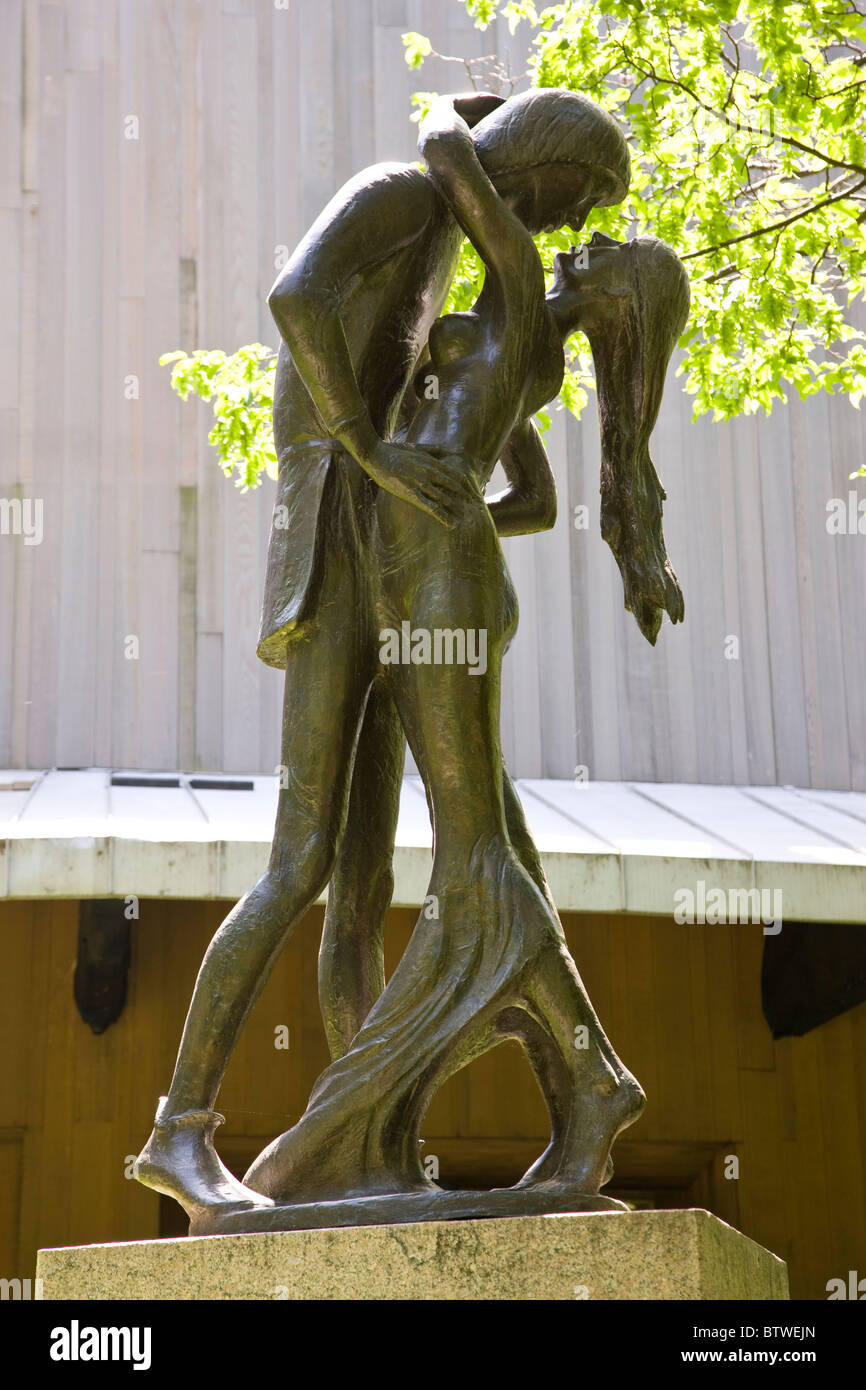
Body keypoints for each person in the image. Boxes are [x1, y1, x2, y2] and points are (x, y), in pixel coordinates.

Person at [135, 89, 632, 1222]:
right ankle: (178, 1129)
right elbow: (293, 294)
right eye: (573, 203)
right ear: (547, 172)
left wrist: (436, 497)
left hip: (379, 549)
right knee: (301, 861)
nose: (558, 232)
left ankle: (368, 1137)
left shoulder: (455, 249)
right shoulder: (403, 193)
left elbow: (511, 481)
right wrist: (364, 448)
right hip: (332, 544)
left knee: (356, 886)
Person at [241, 99, 690, 1209]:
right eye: (581, 203)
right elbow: (529, 499)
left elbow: (448, 150)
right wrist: (447, 492)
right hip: (423, 565)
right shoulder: (508, 327)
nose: (573, 232)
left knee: (473, 853)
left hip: (436, 577)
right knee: (461, 850)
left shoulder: (515, 293)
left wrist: (405, 480)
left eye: (595, 236)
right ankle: (540, 1093)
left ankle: (589, 1081)